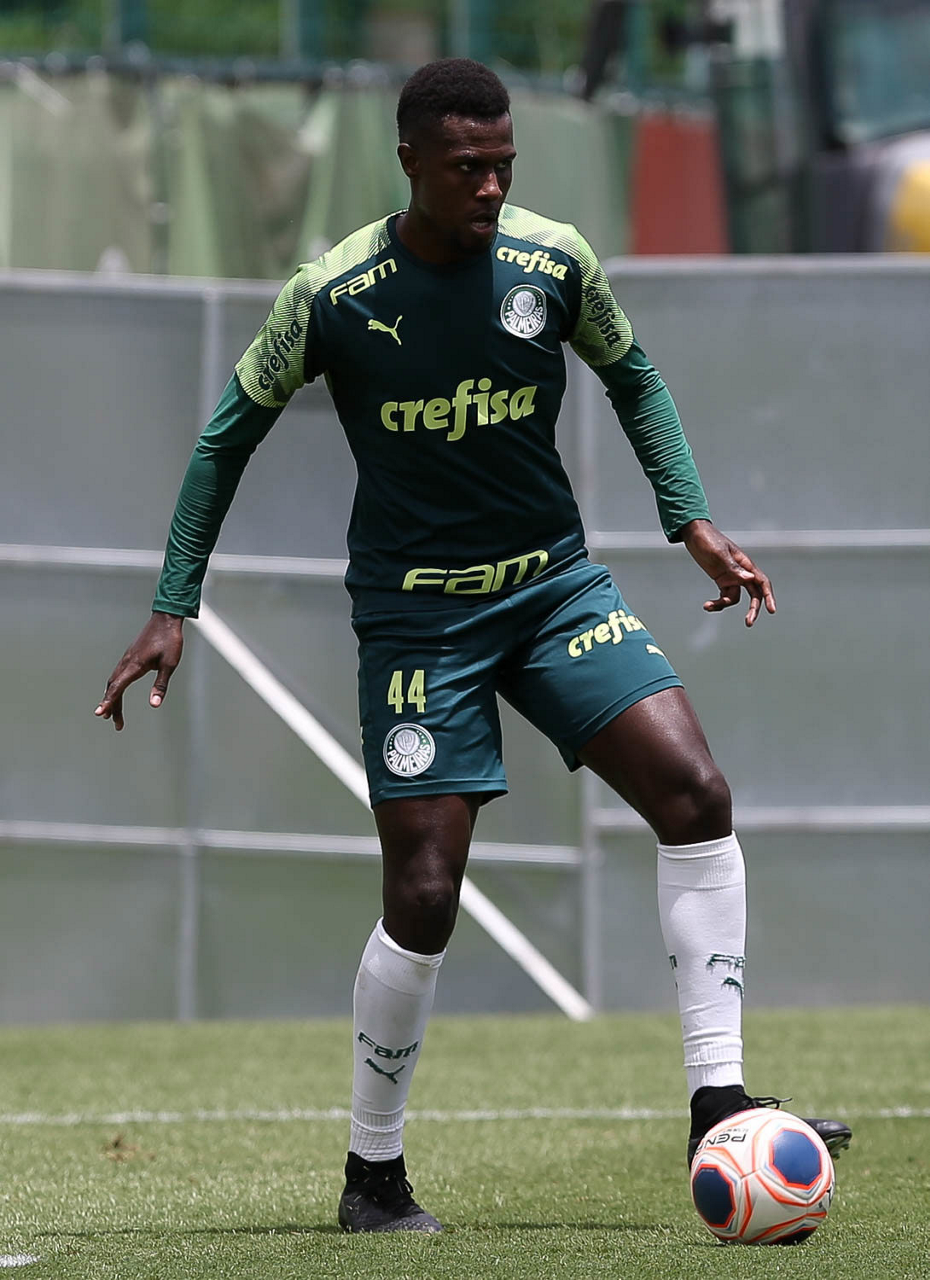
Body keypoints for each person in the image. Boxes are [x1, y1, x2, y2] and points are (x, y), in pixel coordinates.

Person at [96, 58, 851, 1234]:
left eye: (504, 164)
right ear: (410, 161)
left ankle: (719, 1100)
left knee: (695, 791)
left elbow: (635, 378)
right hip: (418, 620)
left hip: (554, 592)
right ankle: (373, 1174)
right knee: (425, 890)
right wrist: (170, 602)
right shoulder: (331, 293)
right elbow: (224, 437)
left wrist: (691, 521)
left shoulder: (555, 261)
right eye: (467, 167)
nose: (492, 185)